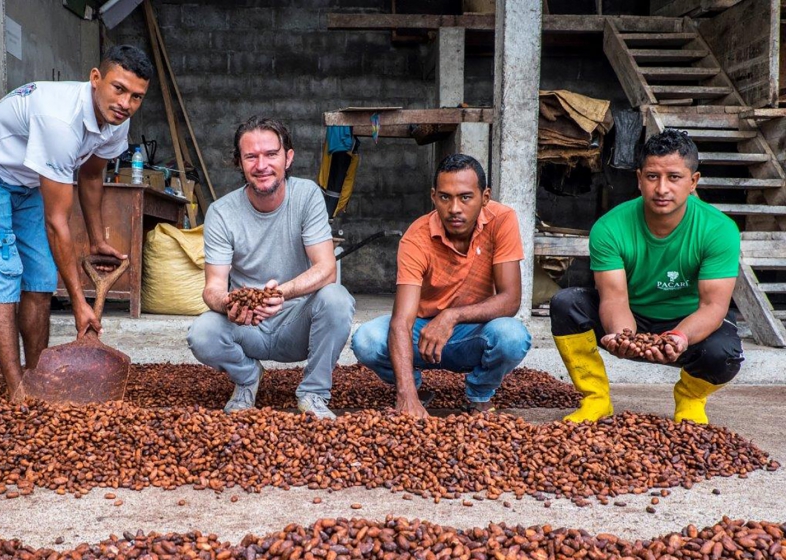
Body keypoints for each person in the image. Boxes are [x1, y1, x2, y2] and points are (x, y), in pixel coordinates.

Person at [0, 45, 153, 400]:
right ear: (96, 79)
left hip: (26, 179)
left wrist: (97, 238)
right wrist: (78, 301)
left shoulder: (118, 121)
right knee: (3, 276)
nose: (126, 103)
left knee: (39, 278)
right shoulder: (60, 121)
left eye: (136, 96)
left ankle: (36, 377)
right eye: (119, 89)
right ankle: (17, 389)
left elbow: (90, 175)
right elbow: (58, 222)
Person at [549, 129, 743, 425]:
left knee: (725, 352)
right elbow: (613, 297)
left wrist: (679, 337)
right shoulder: (610, 228)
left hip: (686, 323)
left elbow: (713, 307)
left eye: (674, 177)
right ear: (639, 179)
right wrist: (623, 336)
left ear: (693, 182)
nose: (662, 188)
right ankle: (596, 399)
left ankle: (690, 400)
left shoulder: (719, 230)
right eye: (652, 176)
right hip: (631, 316)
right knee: (566, 303)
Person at [186, 116, 355, 420]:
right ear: (239, 162)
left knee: (336, 298)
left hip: (297, 323)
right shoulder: (222, 212)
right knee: (202, 332)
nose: (261, 165)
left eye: (271, 154)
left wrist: (283, 293)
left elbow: (327, 268)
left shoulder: (307, 196)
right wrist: (227, 304)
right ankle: (248, 377)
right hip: (246, 324)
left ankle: (313, 394)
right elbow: (213, 287)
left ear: (288, 158)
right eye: (251, 156)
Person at [351, 153, 531, 418]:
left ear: (485, 197)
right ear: (433, 197)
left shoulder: (502, 220)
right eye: (445, 197)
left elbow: (510, 299)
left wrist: (451, 316)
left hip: (471, 332)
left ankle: (479, 394)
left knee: (513, 337)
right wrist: (406, 395)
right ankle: (414, 389)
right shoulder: (417, 237)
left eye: (465, 197)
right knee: (366, 340)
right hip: (421, 333)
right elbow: (402, 321)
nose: (454, 208)